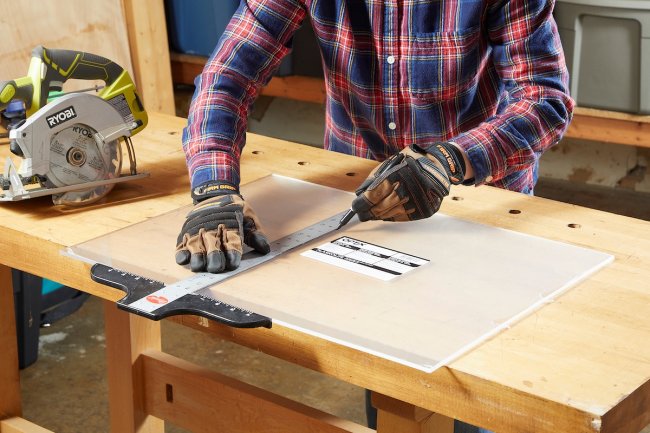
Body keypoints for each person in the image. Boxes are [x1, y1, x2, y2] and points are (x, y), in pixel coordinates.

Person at [175, 1, 573, 431]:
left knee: (480, 380)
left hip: (478, 193)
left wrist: (450, 161)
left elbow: (543, 98)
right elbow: (228, 76)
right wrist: (214, 187)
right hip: (364, 195)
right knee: (387, 366)